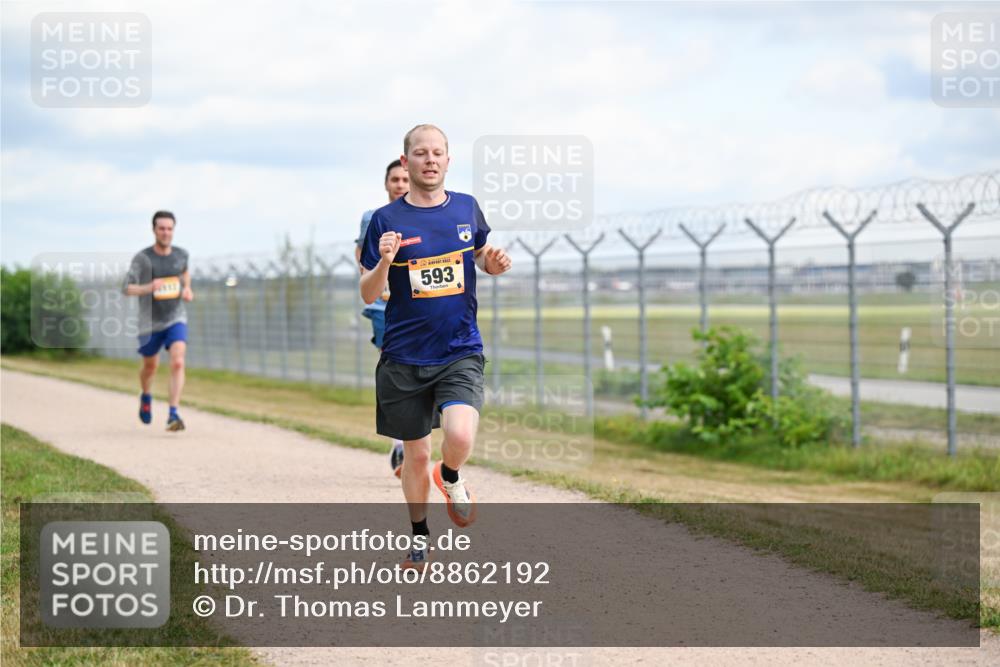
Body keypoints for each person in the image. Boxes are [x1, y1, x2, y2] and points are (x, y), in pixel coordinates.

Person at [359, 124, 512, 569]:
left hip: (459, 348)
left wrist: (493, 264)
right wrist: (386, 259)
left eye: (437, 152)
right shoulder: (386, 221)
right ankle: (419, 536)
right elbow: (369, 293)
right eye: (420, 153)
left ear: (448, 160)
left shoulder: (465, 208)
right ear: (405, 162)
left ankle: (451, 477)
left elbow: (481, 255)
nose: (430, 159)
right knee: (416, 452)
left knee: (460, 434)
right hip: (405, 355)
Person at [355, 160, 410, 476]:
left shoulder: (422, 216)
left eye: (404, 179)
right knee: (394, 369)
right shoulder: (373, 218)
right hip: (382, 306)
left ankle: (408, 440)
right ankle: (400, 443)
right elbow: (362, 254)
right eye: (395, 179)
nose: (400, 184)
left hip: (414, 306)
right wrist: (374, 274)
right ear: (387, 184)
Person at [124, 210, 193, 431]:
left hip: (175, 316)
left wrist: (188, 289)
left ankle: (173, 414)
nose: (166, 232)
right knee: (150, 367)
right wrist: (149, 287)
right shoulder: (142, 258)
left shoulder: (181, 254)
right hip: (149, 322)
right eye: (161, 228)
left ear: (174, 230)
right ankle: (146, 396)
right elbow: (126, 287)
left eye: (169, 228)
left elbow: (184, 273)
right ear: (154, 230)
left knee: (178, 361)